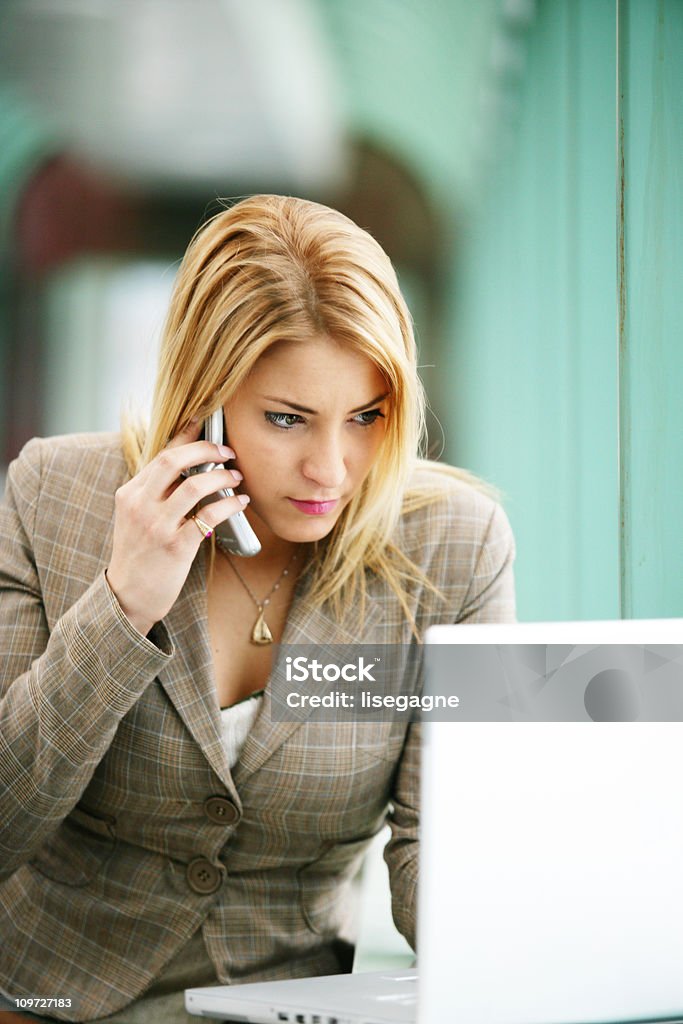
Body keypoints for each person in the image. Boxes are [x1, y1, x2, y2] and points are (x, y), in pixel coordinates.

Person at [0, 195, 515, 1023]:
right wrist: (121, 606)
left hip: (293, 1005)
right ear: (202, 399)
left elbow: (434, 848)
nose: (331, 471)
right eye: (286, 419)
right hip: (49, 1004)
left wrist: (529, 928)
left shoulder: (452, 548)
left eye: (365, 418)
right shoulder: (54, 498)